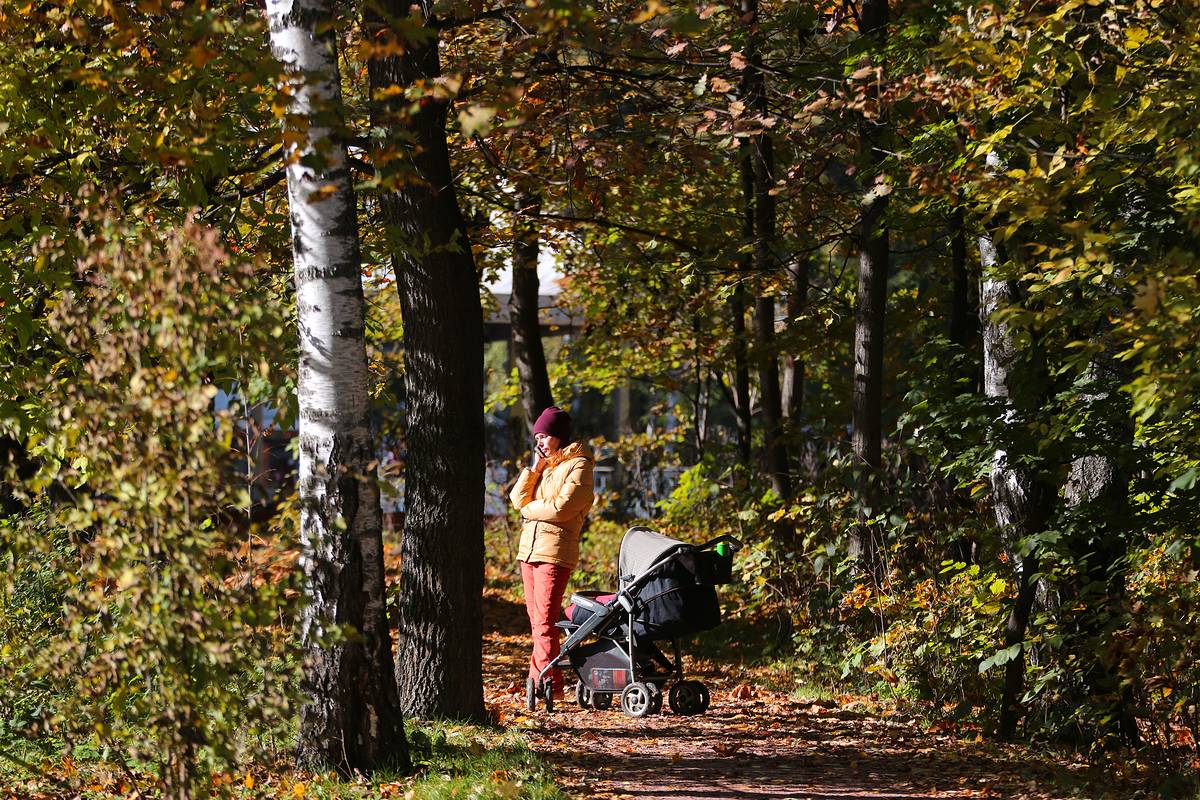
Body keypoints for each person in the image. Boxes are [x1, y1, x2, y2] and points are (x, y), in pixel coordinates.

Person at [509, 405, 595, 701]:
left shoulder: (580, 466)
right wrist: (534, 469)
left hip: (554, 553)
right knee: (536, 622)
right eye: (537, 438)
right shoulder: (544, 467)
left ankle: (550, 684)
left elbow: (561, 509)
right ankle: (542, 683)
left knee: (545, 621)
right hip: (529, 551)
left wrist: (528, 511)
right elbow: (515, 497)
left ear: (558, 436)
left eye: (544, 436)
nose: (540, 443)